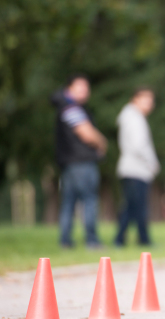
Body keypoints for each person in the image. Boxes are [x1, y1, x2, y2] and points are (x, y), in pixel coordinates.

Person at [51, 74, 107, 249]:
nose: (85, 91)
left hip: (70, 163)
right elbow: (86, 133)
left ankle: (66, 241)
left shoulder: (65, 107)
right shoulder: (71, 108)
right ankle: (91, 240)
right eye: (80, 87)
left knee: (69, 202)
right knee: (88, 201)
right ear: (69, 89)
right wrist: (102, 142)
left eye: (86, 87)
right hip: (81, 162)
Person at [114, 87, 160, 247]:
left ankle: (122, 239)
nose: (150, 104)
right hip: (136, 169)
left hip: (132, 169)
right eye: (146, 100)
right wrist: (152, 162)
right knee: (137, 207)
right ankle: (141, 239)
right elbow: (139, 146)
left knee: (131, 207)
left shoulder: (130, 117)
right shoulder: (134, 118)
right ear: (135, 99)